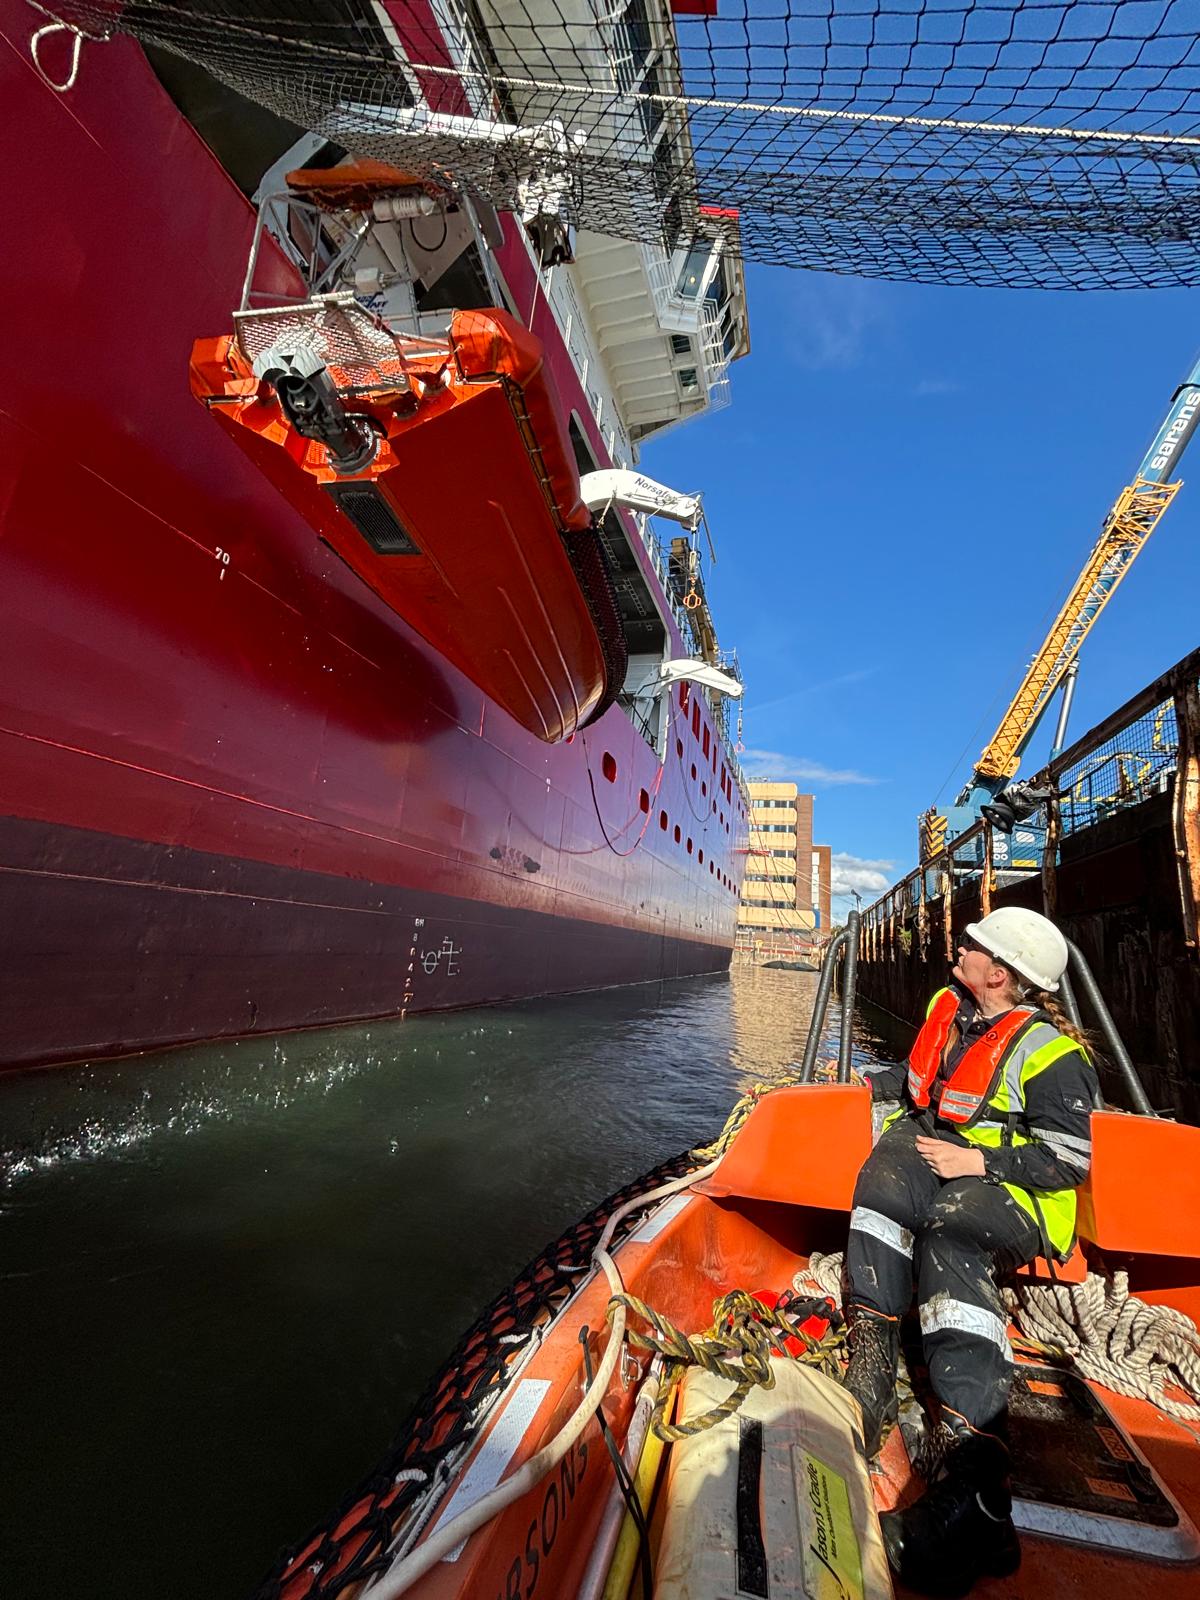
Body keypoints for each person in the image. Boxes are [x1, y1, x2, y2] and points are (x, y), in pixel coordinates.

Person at [840, 906, 1098, 1598]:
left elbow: (1068, 1160)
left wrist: (977, 1164)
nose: (960, 946)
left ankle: (974, 1489)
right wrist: (865, 1088)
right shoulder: (948, 1008)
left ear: (1001, 973)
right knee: (881, 1182)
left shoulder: (1053, 1055)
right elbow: (919, 1083)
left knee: (952, 1229)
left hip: (1020, 1194)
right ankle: (871, 1371)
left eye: (974, 945)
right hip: (941, 1153)